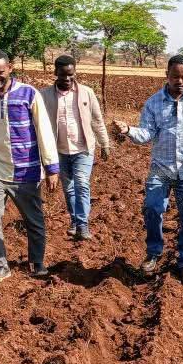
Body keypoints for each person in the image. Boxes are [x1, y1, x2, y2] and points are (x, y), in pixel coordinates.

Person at [114, 54, 183, 285]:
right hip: (160, 168)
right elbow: (146, 133)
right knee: (152, 209)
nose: (180, 81)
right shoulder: (153, 102)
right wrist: (128, 130)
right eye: (175, 77)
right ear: (167, 75)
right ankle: (153, 253)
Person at [0, 49, 59, 284]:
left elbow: (44, 130)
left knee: (34, 220)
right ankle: (1, 266)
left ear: (10, 68)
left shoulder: (29, 93)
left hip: (26, 170)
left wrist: (51, 167)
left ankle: (37, 263)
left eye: (0, 72)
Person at [39, 55, 110, 241]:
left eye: (70, 75)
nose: (67, 79)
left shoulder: (86, 93)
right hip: (59, 151)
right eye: (63, 75)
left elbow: (97, 120)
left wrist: (104, 143)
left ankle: (83, 225)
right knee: (68, 188)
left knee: (82, 183)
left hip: (83, 148)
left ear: (75, 73)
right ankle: (74, 220)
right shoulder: (44, 95)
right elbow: (39, 124)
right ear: (55, 73)